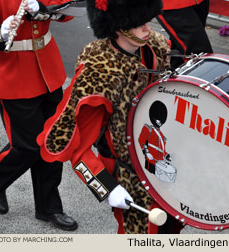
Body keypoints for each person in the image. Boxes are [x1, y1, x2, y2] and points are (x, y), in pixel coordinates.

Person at [37, 0, 184, 234]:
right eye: (138, 23)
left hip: (164, 169)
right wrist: (106, 188)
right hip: (129, 173)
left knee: (171, 229)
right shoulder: (98, 71)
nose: (147, 28)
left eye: (147, 20)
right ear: (118, 27)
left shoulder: (157, 47)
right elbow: (77, 148)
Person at [0, 0, 78, 231]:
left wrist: (43, 8)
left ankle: (49, 207)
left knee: (52, 143)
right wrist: (0, 33)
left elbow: (66, 10)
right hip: (14, 76)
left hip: (48, 69)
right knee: (27, 146)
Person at [156, 0, 213, 69]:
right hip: (173, 4)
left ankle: (175, 75)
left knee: (179, 49)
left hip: (198, 2)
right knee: (201, 56)